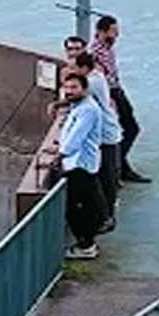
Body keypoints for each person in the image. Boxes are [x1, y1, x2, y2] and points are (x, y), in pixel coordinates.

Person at [64, 44, 122, 228]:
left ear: (83, 69)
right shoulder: (96, 76)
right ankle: (107, 215)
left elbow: (76, 97)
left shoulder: (92, 82)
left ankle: (106, 217)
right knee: (106, 176)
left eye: (75, 69)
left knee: (104, 178)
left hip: (105, 135)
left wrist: (58, 104)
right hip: (107, 132)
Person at [92, 15, 150, 184]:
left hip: (116, 90)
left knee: (129, 129)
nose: (116, 35)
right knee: (129, 129)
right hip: (111, 93)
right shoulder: (96, 52)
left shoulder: (108, 48)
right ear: (101, 32)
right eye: (113, 31)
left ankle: (121, 165)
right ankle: (120, 166)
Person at [56, 70, 106, 260]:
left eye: (74, 87)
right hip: (80, 165)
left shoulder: (88, 110)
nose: (69, 91)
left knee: (76, 208)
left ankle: (86, 245)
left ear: (84, 89)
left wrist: (60, 155)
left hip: (80, 166)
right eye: (66, 87)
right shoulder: (80, 106)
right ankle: (86, 243)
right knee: (83, 206)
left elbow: (76, 137)